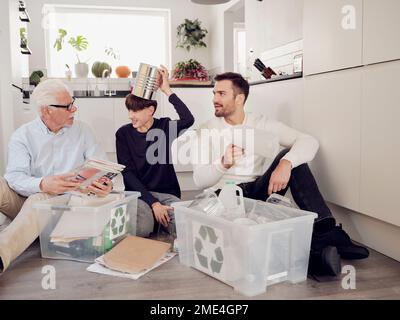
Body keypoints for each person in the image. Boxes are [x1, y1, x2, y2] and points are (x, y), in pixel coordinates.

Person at [191, 72, 369, 277]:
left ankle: (324, 229)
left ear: (239, 98)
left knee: (292, 158)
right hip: (225, 198)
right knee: (250, 245)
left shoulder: (261, 123)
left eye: (221, 93)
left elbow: (309, 141)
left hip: (256, 191)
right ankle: (317, 253)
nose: (214, 99)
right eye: (214, 93)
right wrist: (222, 164)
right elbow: (199, 180)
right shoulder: (206, 130)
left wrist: (286, 163)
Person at [0, 79, 113, 273]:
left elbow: (101, 167)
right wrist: (43, 183)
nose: (74, 109)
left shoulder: (83, 131)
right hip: (28, 196)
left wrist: (105, 183)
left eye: (73, 102)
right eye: (68, 106)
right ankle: (29, 230)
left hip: (65, 205)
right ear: (46, 111)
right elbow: (15, 177)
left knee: (39, 200)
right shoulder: (22, 136)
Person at [116, 65, 194, 238]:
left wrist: (167, 90)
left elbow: (188, 119)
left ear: (150, 110)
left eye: (135, 110)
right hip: (139, 194)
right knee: (142, 228)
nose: (130, 115)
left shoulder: (165, 127)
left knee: (185, 227)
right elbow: (127, 174)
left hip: (167, 194)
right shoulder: (123, 134)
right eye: (129, 110)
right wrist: (153, 204)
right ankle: (154, 218)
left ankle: (159, 220)